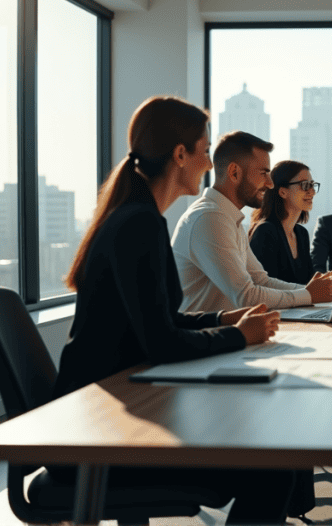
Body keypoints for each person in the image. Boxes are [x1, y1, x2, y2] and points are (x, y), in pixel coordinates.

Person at [52, 96, 295, 525]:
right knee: (276, 461)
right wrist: (241, 336)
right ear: (180, 155)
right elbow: (161, 341)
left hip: (110, 406)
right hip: (96, 433)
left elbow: (158, 318)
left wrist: (224, 320)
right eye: (203, 152)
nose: (207, 164)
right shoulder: (139, 224)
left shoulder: (138, 217)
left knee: (273, 449)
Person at [172, 131, 332, 312]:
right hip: (209, 335)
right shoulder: (210, 218)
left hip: (229, 332)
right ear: (234, 172)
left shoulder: (228, 218)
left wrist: (316, 291)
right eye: (264, 173)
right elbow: (246, 296)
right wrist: (308, 295)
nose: (270, 184)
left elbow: (261, 281)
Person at [249, 160, 320, 285]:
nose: (312, 191)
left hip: (303, 304)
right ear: (282, 192)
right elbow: (266, 286)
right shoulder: (265, 232)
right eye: (304, 185)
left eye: (312, 185)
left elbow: (308, 284)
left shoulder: (301, 233)